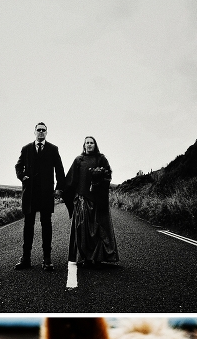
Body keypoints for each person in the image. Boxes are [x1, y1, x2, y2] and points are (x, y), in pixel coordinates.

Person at [64, 136, 120, 289]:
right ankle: (86, 259)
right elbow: (70, 179)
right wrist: (63, 190)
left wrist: (99, 179)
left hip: (97, 200)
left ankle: (98, 259)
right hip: (81, 199)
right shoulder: (78, 160)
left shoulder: (101, 159)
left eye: (92, 143)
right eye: (87, 143)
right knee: (83, 229)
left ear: (95, 145)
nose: (89, 145)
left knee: (97, 229)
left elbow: (108, 175)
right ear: (84, 145)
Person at [15, 122, 67, 271]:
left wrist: (59, 189)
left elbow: (60, 171)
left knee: (46, 226)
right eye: (39, 130)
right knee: (28, 227)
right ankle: (26, 259)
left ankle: (47, 259)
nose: (41, 132)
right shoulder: (26, 149)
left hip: (46, 194)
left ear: (46, 133)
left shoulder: (53, 149)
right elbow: (18, 166)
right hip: (30, 193)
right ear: (34, 132)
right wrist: (22, 176)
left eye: (44, 130)